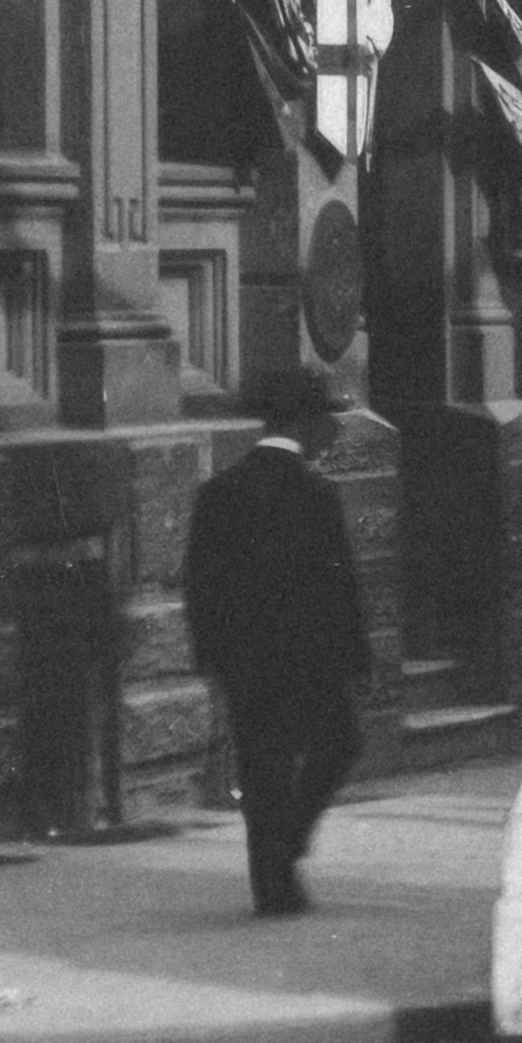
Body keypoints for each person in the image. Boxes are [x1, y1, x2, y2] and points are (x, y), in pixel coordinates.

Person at [182, 373, 371, 915]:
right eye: (326, 422)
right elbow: (339, 585)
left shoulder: (218, 493)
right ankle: (288, 842)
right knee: (338, 744)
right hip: (311, 661)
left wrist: (211, 657)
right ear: (307, 425)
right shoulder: (316, 495)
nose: (330, 431)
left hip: (245, 662)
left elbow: (200, 583)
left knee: (261, 767)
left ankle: (272, 885)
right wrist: (356, 658)